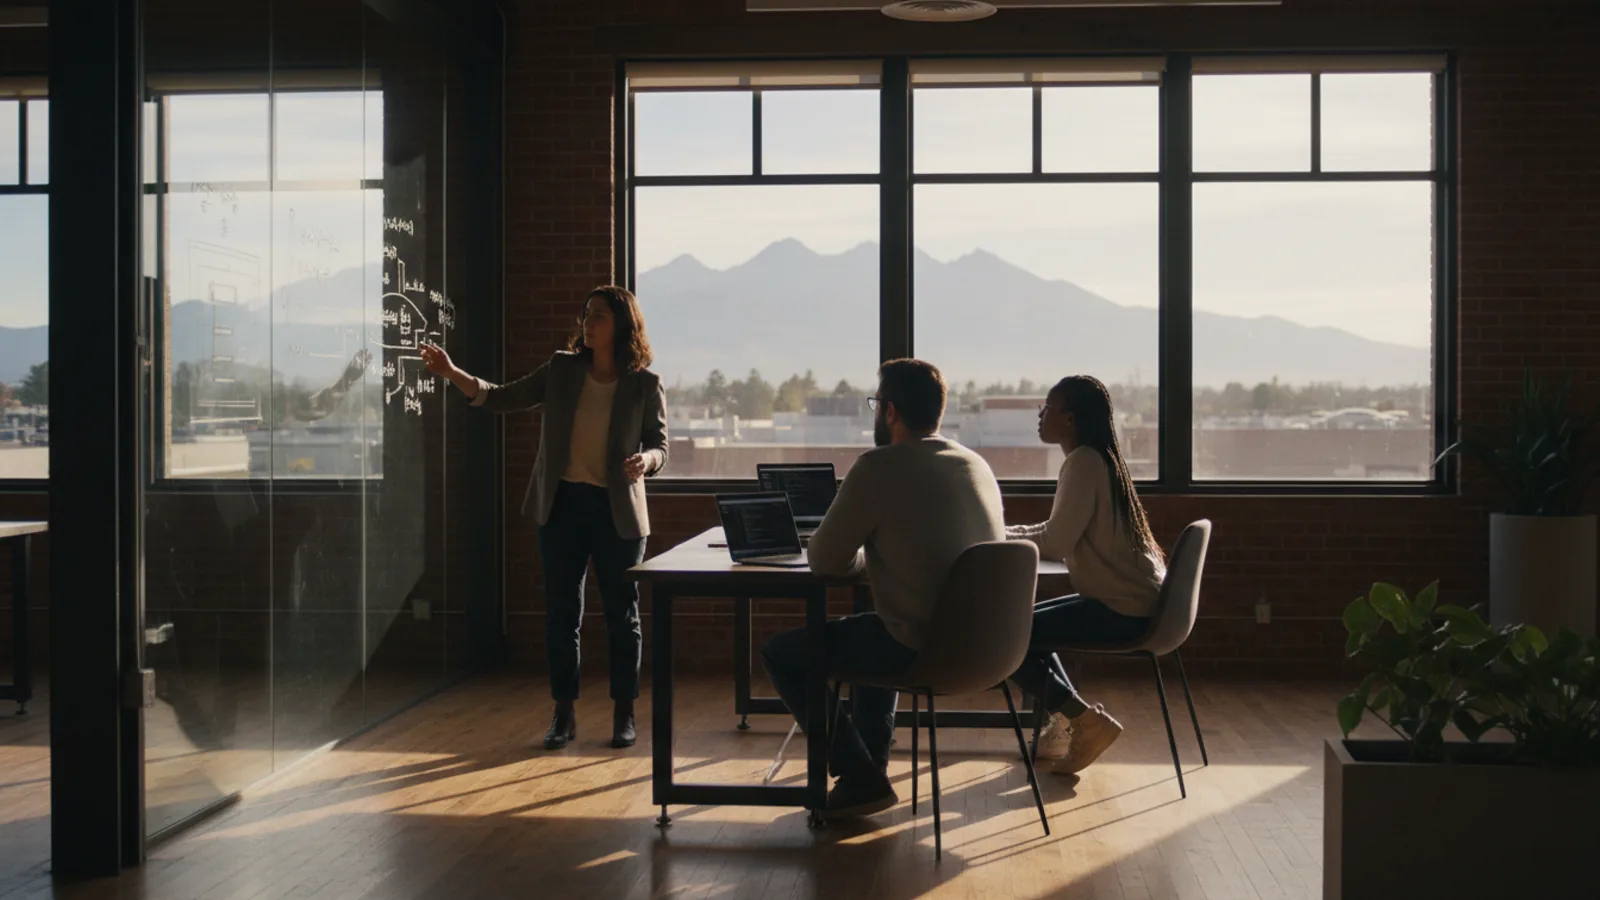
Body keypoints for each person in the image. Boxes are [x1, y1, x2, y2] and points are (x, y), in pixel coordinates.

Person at [420, 285, 668, 751]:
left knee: (623, 617)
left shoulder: (645, 385)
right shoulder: (561, 369)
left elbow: (661, 446)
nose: (587, 323)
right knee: (561, 615)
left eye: (598, 316)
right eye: (585, 314)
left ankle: (624, 714)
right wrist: (452, 373)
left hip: (618, 513)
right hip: (562, 507)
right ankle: (564, 713)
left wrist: (646, 462)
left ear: (621, 324)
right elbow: (500, 397)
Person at [761, 358, 1006, 818]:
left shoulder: (878, 467)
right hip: (990, 650)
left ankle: (857, 776)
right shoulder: (976, 465)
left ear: (889, 411)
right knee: (877, 629)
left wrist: (866, 557)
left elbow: (824, 560)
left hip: (921, 647)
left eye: (877, 405)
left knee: (783, 654)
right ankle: (868, 774)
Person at [1006, 375, 1166, 775]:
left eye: (1047, 408)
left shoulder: (1083, 462)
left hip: (1122, 610)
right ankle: (1069, 722)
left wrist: (998, 535)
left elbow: (1057, 542)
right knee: (1025, 627)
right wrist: (1007, 532)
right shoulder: (1098, 458)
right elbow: (1057, 530)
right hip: (1131, 601)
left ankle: (1081, 719)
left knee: (1010, 639)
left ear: (1070, 419)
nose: (1040, 416)